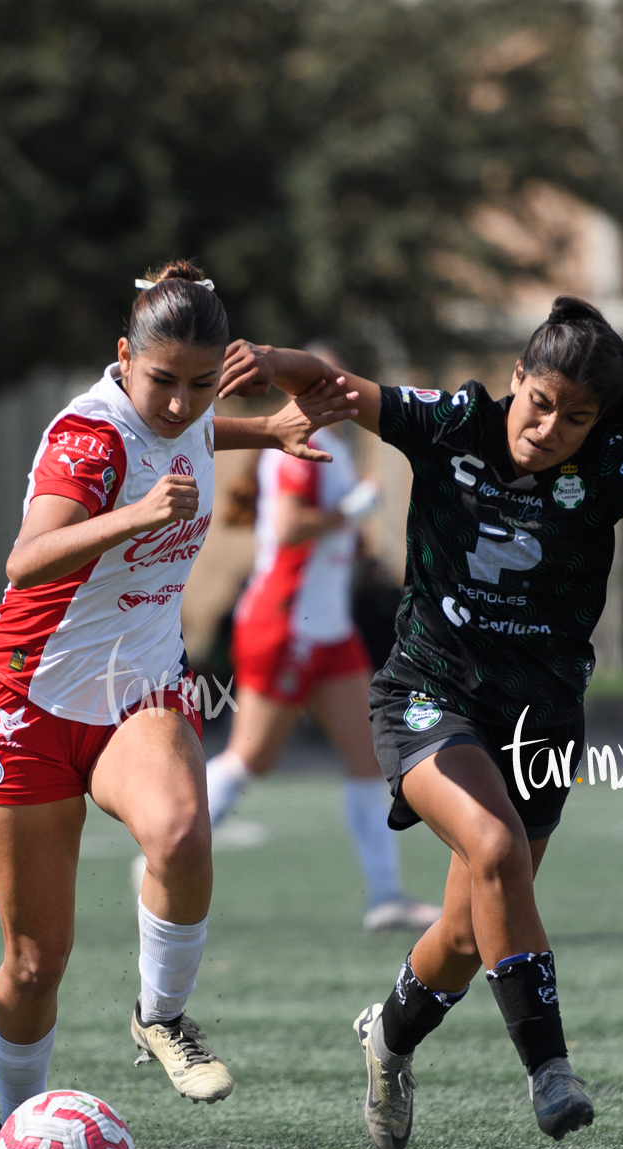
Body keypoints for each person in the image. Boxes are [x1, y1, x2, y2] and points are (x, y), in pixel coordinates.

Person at [225, 296, 623, 1149]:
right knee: (496, 849)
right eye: (541, 403)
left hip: (540, 718)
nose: (551, 428)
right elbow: (344, 390)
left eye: (576, 417)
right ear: (516, 381)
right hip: (428, 689)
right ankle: (550, 1070)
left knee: (470, 929)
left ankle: (386, 1036)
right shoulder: (455, 422)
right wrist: (271, 356)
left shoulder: (607, 459)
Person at [0, 262, 349, 1130]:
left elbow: (194, 437)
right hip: (25, 702)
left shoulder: (194, 414)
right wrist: (139, 515)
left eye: (202, 384)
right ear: (122, 360)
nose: (180, 403)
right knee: (34, 963)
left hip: (138, 687)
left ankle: (161, 1016)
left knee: (180, 830)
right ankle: (21, 1135)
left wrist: (273, 430)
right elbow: (25, 560)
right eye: (162, 382)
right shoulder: (88, 440)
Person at [208, 344, 439, 932]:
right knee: (250, 758)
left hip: (327, 629)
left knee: (370, 760)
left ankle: (386, 894)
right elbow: (288, 528)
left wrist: (351, 536)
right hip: (285, 624)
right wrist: (353, 510)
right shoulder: (295, 453)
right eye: (323, 382)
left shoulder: (331, 446)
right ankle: (164, 848)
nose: (340, 391)